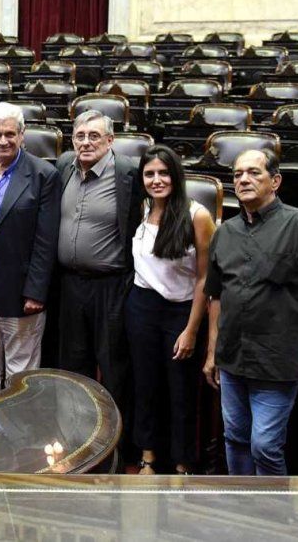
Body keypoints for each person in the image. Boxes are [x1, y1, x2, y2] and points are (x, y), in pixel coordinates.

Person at [203, 149, 298, 476]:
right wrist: (212, 352)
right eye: (238, 174)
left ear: (275, 181)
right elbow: (216, 297)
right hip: (233, 356)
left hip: (277, 359)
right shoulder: (225, 232)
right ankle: (243, 506)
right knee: (235, 437)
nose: (244, 179)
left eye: (254, 173)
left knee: (264, 445)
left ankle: (273, 517)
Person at [124, 145, 215, 475]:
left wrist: (191, 329)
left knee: (181, 391)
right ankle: (147, 456)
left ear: (176, 175)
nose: (156, 180)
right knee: (145, 386)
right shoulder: (140, 209)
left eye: (163, 173)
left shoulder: (197, 215)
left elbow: (205, 278)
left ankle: (181, 462)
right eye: (150, 174)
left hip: (181, 311)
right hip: (141, 308)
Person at [0, 102, 61, 397]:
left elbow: (46, 239)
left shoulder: (43, 175)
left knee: (21, 369)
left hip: (20, 290)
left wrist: (36, 291)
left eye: (9, 134)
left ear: (22, 135)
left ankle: (17, 437)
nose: (2, 141)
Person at [56, 109, 142, 406]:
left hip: (111, 286)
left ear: (110, 140)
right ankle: (77, 435)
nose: (86, 142)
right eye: (80, 136)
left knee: (113, 367)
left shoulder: (128, 173)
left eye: (94, 136)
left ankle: (114, 444)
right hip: (69, 286)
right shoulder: (64, 166)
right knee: (72, 365)